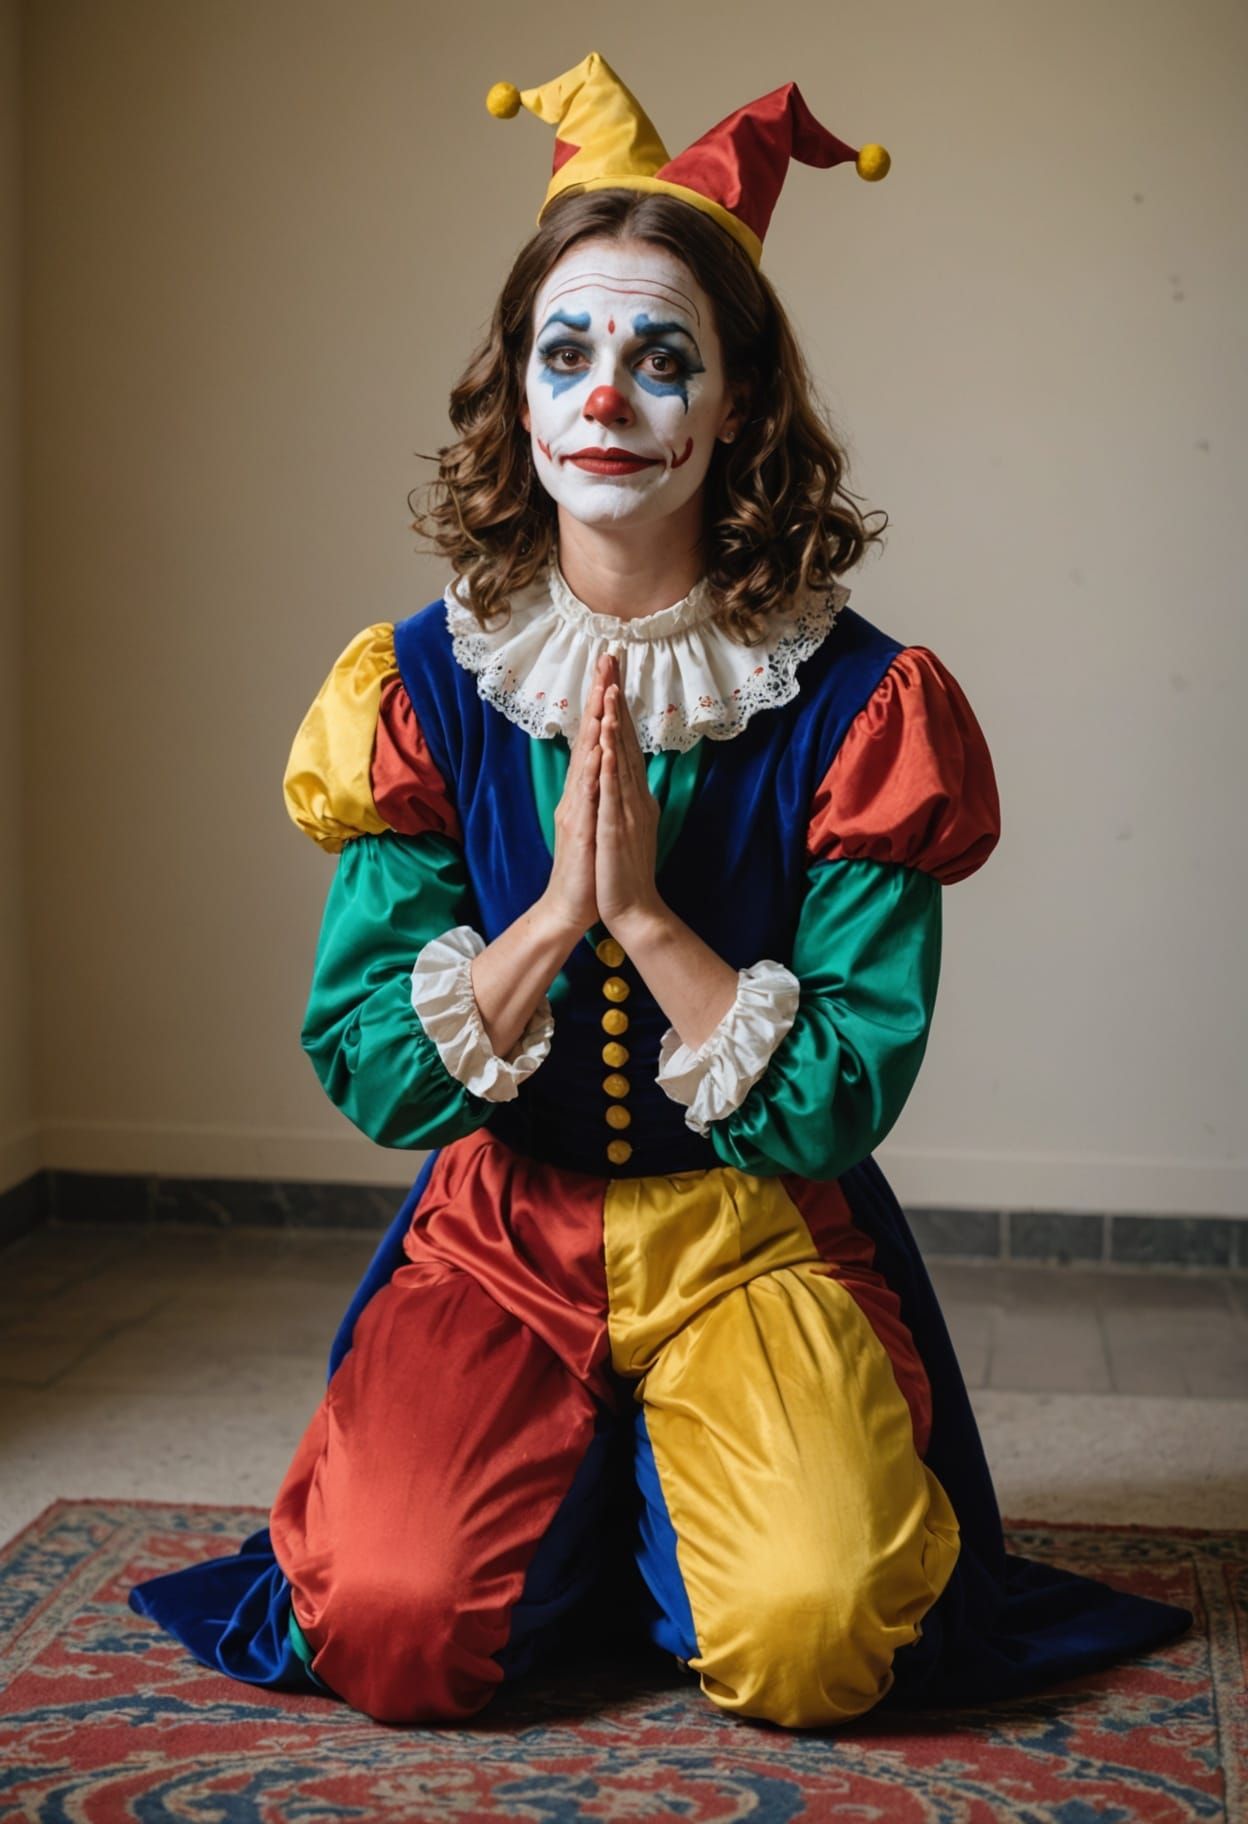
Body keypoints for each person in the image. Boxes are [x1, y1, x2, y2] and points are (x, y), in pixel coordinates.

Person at [130, 53, 1192, 1729]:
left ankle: (665, 1514)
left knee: (816, 1638)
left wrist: (649, 922)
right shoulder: (414, 684)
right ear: (521, 393)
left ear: (737, 408)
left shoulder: (860, 703)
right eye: (569, 351)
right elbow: (368, 1059)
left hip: (756, 1234)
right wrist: (553, 917)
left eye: (659, 356)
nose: (608, 396)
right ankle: (602, 1510)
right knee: (395, 1626)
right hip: (500, 1230)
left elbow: (847, 1085)